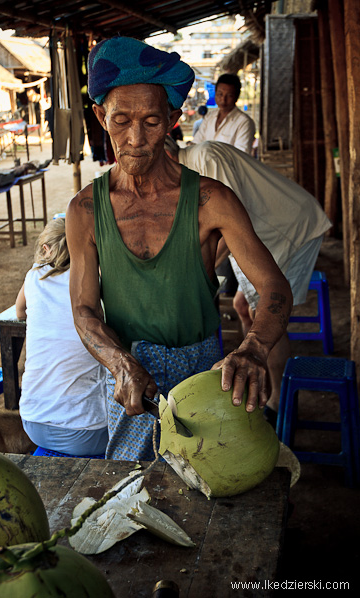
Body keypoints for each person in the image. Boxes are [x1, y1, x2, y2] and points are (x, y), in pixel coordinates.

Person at [66, 37, 292, 462]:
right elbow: (84, 311)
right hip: (133, 384)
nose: (135, 138)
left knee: (214, 489)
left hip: (206, 377)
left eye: (151, 121)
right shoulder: (84, 211)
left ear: (172, 119)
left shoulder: (212, 201)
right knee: (135, 500)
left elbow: (274, 286)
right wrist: (119, 363)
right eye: (121, 120)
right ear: (100, 116)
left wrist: (254, 347)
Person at [167, 139, 332, 422]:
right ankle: (257, 378)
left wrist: (192, 276)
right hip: (265, 233)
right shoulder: (190, 171)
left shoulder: (204, 158)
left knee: (265, 315)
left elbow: (230, 224)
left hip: (287, 229)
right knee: (243, 306)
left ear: (167, 153)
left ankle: (279, 405)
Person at [16, 218, 108, 456]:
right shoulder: (96, 283)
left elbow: (19, 311)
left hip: (33, 422)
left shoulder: (34, 277)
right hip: (87, 432)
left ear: (45, 249)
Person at [192, 74, 255, 155]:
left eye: (229, 96)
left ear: (236, 97)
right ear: (215, 94)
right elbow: (196, 142)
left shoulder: (244, 122)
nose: (223, 100)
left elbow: (241, 156)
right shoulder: (209, 117)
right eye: (220, 94)